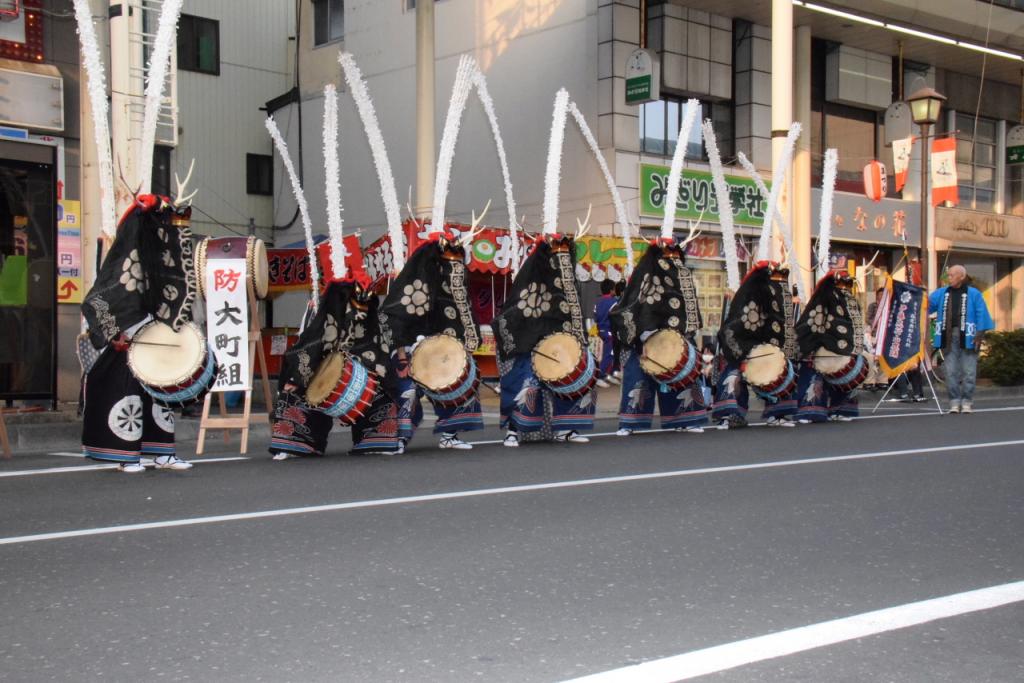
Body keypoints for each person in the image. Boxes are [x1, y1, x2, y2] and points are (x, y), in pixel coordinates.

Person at [80, 195, 197, 472]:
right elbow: (97, 300)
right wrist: (115, 332)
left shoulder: (163, 258)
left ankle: (162, 453)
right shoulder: (127, 255)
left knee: (160, 396)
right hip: (128, 338)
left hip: (156, 336)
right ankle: (126, 455)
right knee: (128, 397)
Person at [270, 265, 401, 460]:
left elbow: (318, 341)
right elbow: (313, 340)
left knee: (379, 384)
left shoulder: (352, 300)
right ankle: (296, 443)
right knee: (298, 383)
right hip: (332, 361)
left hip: (357, 363)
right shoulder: (327, 302)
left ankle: (376, 440)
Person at [381, 229, 485, 450]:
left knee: (459, 381)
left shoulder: (453, 280)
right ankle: (399, 437)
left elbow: (462, 312)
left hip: (442, 346)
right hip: (410, 347)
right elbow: (395, 318)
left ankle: (450, 435)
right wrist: (401, 356)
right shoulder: (416, 281)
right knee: (406, 390)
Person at [493, 232, 596, 447]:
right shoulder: (532, 279)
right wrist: (531, 336)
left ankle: (565, 429)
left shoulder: (569, 283)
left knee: (574, 379)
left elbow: (574, 314)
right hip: (532, 343)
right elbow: (515, 311)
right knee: (524, 382)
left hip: (561, 343)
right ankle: (514, 429)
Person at [610, 236, 708, 435]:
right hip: (643, 340)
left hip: (674, 340)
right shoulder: (645, 274)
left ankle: (686, 419)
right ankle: (630, 423)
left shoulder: (682, 275)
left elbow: (687, 312)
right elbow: (630, 306)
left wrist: (683, 337)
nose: (672, 259)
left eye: (675, 254)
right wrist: (642, 335)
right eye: (668, 254)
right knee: (637, 380)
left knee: (682, 377)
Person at [713, 262, 799, 428]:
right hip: (742, 343)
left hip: (766, 346)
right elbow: (737, 327)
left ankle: (777, 414)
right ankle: (729, 414)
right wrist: (745, 352)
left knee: (780, 368)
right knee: (733, 374)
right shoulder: (751, 295)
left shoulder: (775, 295)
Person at [793, 271, 865, 423]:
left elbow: (856, 326)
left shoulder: (852, 300)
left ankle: (839, 410)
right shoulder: (824, 297)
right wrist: (810, 344)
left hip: (845, 348)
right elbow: (812, 321)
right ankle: (808, 412)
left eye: (847, 283)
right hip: (820, 346)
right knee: (813, 380)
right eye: (841, 283)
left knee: (843, 379)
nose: (845, 287)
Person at [928, 264, 994, 414]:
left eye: (952, 275)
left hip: (969, 336)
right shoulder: (941, 293)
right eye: (948, 275)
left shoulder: (974, 294)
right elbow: (927, 306)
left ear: (962, 277)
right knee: (950, 371)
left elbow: (982, 314)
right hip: (947, 336)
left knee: (969, 371)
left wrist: (979, 334)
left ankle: (967, 401)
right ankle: (954, 401)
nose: (949, 278)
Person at [593, 279, 618, 387]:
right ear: (612, 290)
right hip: (609, 332)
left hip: (600, 331)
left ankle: (610, 374)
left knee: (604, 354)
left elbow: (595, 316)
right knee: (608, 355)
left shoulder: (598, 302)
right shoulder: (614, 302)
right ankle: (599, 376)